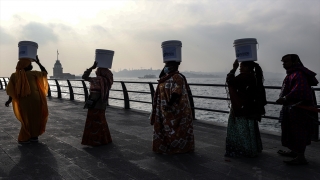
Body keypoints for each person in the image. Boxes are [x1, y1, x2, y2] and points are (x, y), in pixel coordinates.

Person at [276, 54, 318, 165]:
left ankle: (300, 157)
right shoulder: (292, 73)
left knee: (298, 132)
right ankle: (294, 151)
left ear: (294, 62)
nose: (284, 64)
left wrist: (285, 98)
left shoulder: (298, 74)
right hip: (292, 108)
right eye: (283, 62)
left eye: (286, 62)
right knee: (291, 131)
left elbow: (299, 91)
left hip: (299, 109)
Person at [150, 61, 195, 154]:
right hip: (165, 108)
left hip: (175, 109)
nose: (165, 67)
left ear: (174, 66)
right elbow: (160, 75)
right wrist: (166, 64)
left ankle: (178, 148)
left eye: (167, 65)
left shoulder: (177, 77)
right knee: (166, 128)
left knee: (177, 129)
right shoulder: (166, 77)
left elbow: (176, 92)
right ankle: (167, 147)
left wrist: (169, 104)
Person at [225, 60, 267, 157]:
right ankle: (252, 148)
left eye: (241, 66)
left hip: (242, 108)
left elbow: (230, 81)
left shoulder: (243, 77)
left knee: (242, 130)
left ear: (247, 68)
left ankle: (244, 150)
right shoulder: (254, 77)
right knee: (250, 129)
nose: (240, 68)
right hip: (251, 108)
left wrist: (233, 68)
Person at [5, 56, 49, 144]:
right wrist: (38, 62)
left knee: (26, 118)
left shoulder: (14, 75)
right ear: (27, 65)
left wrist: (9, 100)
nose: (31, 65)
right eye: (30, 64)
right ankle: (34, 137)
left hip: (23, 101)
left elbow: (12, 90)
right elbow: (45, 72)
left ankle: (26, 136)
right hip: (36, 100)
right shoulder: (34, 73)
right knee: (36, 117)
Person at [81, 61, 113, 146]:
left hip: (93, 104)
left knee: (93, 122)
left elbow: (84, 77)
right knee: (101, 121)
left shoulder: (96, 80)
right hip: (102, 104)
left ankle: (93, 140)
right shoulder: (108, 81)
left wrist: (92, 67)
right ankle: (104, 139)